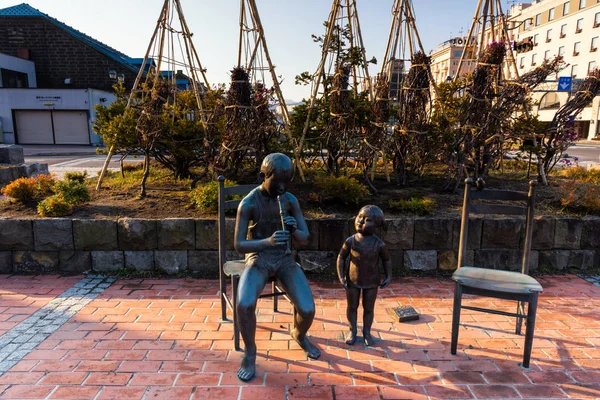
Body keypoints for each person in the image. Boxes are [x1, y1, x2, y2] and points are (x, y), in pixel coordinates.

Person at [234, 153, 320, 382]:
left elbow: (305, 239)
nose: (282, 188)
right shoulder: (249, 203)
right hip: (258, 259)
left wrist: (293, 231)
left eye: (286, 182)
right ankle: (250, 353)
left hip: (283, 259)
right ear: (263, 176)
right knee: (244, 304)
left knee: (308, 309)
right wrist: (267, 242)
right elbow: (239, 245)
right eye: (277, 182)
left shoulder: (290, 200)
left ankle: (299, 334)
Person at [337, 205, 392, 346]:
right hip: (352, 281)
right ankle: (352, 330)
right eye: (359, 217)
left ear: (376, 227)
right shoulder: (351, 241)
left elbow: (386, 259)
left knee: (368, 308)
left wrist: (388, 276)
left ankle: (367, 332)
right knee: (352, 306)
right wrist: (341, 275)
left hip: (372, 282)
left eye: (367, 220)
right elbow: (341, 257)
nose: (360, 221)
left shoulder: (379, 244)